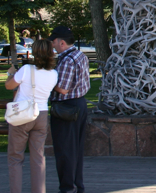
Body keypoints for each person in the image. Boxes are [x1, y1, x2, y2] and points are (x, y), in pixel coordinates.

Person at [6, 39, 58, 193]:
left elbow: (9, 86)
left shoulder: (26, 69)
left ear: (35, 52)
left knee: (16, 157)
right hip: (41, 114)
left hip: (22, 114)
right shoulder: (54, 74)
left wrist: (10, 74)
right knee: (38, 158)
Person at [49, 26, 90, 193]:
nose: (52, 45)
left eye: (53, 42)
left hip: (66, 108)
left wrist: (46, 81)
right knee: (77, 149)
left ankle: (67, 187)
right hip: (80, 104)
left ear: (62, 42)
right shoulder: (80, 55)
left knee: (65, 149)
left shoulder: (66, 60)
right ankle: (77, 184)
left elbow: (63, 88)